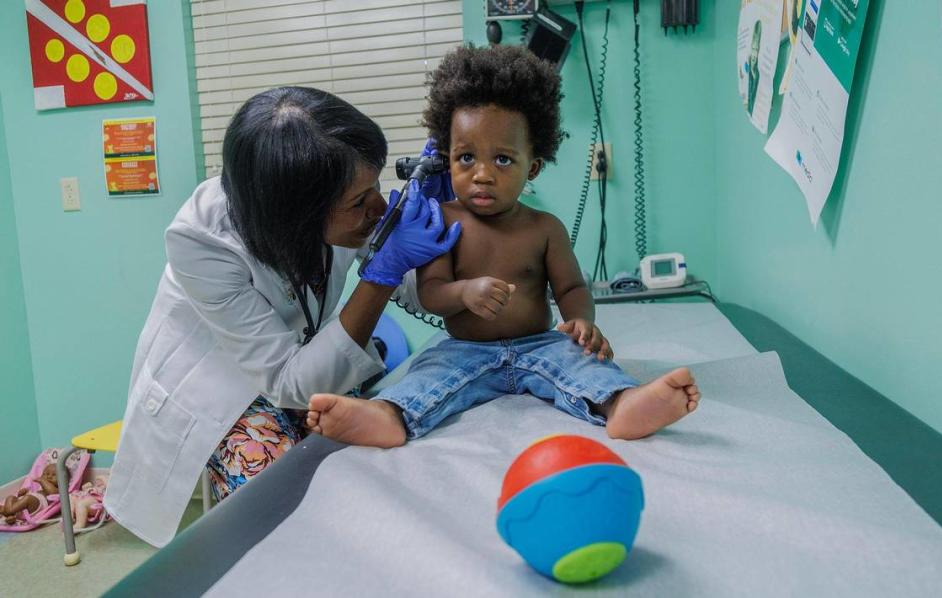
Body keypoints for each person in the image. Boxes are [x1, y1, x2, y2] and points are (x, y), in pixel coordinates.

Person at [104, 87, 461, 547]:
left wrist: (444, 219)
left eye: (376, 186)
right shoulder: (202, 241)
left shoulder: (331, 198)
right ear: (296, 219)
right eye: (360, 201)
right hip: (223, 390)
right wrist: (382, 274)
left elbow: (419, 289)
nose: (376, 207)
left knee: (364, 463)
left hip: (299, 365)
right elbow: (287, 381)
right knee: (281, 502)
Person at [305, 46, 700, 448]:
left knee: (584, 364)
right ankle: (389, 415)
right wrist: (464, 293)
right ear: (445, 159)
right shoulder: (440, 222)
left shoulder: (545, 228)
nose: (482, 175)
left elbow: (571, 288)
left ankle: (622, 404)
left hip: (540, 342)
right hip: (464, 348)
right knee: (428, 371)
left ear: (532, 167)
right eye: (466, 157)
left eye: (503, 160)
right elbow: (432, 293)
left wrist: (580, 321)